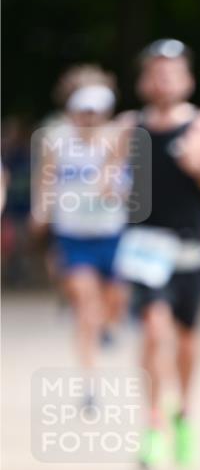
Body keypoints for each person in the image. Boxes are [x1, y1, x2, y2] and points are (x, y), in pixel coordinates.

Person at [115, 40, 200, 468]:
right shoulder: (128, 127)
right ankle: (153, 422)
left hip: (189, 247)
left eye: (171, 71)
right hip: (143, 246)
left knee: (186, 339)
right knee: (153, 328)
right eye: (155, 71)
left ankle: (184, 414)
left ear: (187, 78)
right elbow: (107, 184)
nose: (163, 79)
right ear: (144, 79)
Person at [32, 66, 129, 377]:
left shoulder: (119, 137)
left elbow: (131, 183)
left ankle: (107, 324)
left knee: (115, 302)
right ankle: (89, 380)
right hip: (73, 234)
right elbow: (46, 179)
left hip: (111, 231)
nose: (89, 116)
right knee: (86, 305)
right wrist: (41, 212)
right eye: (83, 109)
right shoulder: (55, 138)